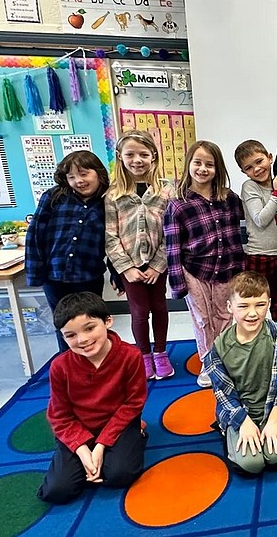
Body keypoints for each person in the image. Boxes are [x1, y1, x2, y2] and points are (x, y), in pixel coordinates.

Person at [37, 292, 147, 504]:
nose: (83, 340)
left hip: (119, 424)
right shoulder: (60, 367)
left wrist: (100, 446)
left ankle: (138, 434)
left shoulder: (130, 356)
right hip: (79, 428)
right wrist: (82, 449)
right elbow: (60, 415)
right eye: (70, 335)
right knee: (58, 490)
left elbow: (133, 403)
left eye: (89, 328)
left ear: (108, 321)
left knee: (119, 475)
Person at [164, 141, 245, 388]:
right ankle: (208, 364)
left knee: (224, 316)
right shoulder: (178, 203)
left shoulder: (229, 198)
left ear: (217, 168)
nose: (203, 169)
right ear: (188, 165)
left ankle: (225, 361)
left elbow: (242, 229)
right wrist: (177, 282)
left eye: (209, 164)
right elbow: (172, 245)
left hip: (227, 269)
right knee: (202, 319)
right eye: (197, 163)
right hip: (195, 272)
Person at [203, 271, 277, 475]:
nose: (253, 313)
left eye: (260, 305)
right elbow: (223, 394)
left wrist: (274, 420)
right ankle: (229, 432)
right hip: (241, 412)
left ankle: (270, 426)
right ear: (230, 307)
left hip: (272, 409)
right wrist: (243, 423)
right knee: (251, 465)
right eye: (243, 306)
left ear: (269, 303)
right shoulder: (219, 348)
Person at [25, 151, 110, 353]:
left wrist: (117, 274)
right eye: (71, 177)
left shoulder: (108, 202)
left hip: (88, 275)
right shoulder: (54, 197)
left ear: (98, 173)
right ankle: (70, 363)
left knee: (91, 321)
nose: (78, 181)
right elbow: (35, 234)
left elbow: (113, 240)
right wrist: (35, 274)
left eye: (83, 174)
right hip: (54, 276)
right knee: (64, 324)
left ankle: (96, 360)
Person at [105, 130, 174, 380]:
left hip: (158, 263)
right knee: (139, 311)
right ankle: (144, 354)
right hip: (130, 265)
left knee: (160, 307)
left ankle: (161, 352)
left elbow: (171, 230)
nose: (137, 160)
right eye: (130, 154)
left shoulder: (165, 191)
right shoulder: (113, 194)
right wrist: (125, 268)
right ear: (120, 157)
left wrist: (158, 265)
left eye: (144, 154)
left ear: (153, 157)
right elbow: (110, 236)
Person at [235, 139, 277, 324]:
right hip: (259, 255)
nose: (257, 169)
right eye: (249, 167)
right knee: (256, 304)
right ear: (244, 172)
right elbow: (260, 219)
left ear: (270, 158)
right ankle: (257, 343)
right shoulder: (250, 187)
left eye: (259, 161)